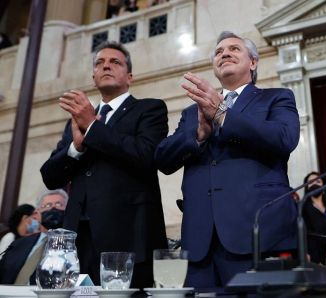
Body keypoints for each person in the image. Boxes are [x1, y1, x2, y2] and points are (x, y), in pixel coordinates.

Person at [154, 31, 300, 288]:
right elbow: (163, 159)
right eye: (219, 51)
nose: (225, 54)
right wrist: (197, 136)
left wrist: (223, 115)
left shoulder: (276, 97)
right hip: (200, 242)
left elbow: (284, 138)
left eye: (234, 49)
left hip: (258, 235)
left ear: (253, 62)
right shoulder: (192, 112)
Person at [40, 41, 168, 288]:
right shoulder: (76, 121)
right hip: (77, 240)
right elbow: (50, 177)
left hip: (127, 237)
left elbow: (146, 155)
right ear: (93, 75)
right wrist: (75, 147)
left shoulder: (149, 109)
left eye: (115, 62)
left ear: (129, 76)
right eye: (100, 63)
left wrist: (93, 127)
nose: (106, 66)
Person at [0, 189, 68, 285]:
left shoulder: (76, 242)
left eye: (58, 204)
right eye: (47, 205)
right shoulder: (18, 244)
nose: (53, 208)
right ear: (38, 212)